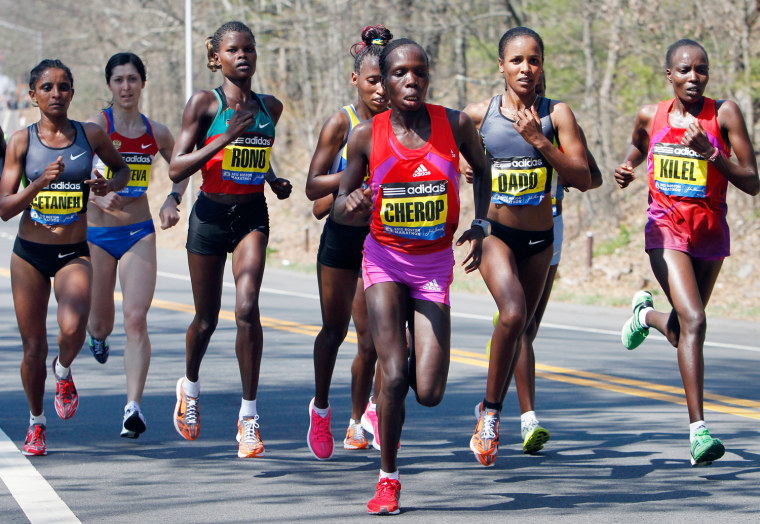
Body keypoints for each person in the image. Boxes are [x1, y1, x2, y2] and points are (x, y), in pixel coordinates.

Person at [333, 38, 490, 515]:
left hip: (432, 267)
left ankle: (407, 342)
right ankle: (388, 479)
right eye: (400, 73)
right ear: (386, 77)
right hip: (384, 261)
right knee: (395, 375)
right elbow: (338, 206)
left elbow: (483, 171)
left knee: (429, 391)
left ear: (429, 77)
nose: (410, 81)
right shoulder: (366, 135)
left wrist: (481, 225)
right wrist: (352, 204)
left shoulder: (455, 124)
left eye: (419, 72)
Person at [615, 39, 759, 466]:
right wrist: (628, 166)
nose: (693, 78)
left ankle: (646, 316)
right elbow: (639, 144)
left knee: (682, 332)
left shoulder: (724, 114)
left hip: (710, 234)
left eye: (701, 70)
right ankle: (698, 432)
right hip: (665, 229)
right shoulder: (651, 113)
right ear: (669, 75)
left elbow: (752, 181)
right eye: (684, 70)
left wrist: (711, 153)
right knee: (695, 320)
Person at [463, 27, 591, 467]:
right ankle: (493, 416)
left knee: (520, 328)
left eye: (533, 60)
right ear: (501, 65)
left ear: (542, 66)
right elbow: (443, 157)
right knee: (513, 313)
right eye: (516, 60)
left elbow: (583, 177)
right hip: (496, 235)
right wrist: (465, 164)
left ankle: (488, 407)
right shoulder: (479, 115)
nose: (525, 68)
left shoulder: (558, 115)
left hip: (540, 240)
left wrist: (541, 141)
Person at [168, 21, 292, 459]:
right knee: (206, 319)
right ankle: (190, 386)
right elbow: (177, 167)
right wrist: (226, 135)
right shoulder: (206, 102)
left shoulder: (269, 106)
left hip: (251, 215)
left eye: (249, 49)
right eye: (233, 50)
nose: (243, 56)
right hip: (209, 216)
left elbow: (257, 152)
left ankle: (249, 416)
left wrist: (273, 179)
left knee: (246, 308)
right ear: (217, 58)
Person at [0, 59, 129, 456]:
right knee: (32, 348)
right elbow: (4, 208)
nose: (56, 94)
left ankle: (64, 371)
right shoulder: (22, 141)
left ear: (72, 93)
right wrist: (38, 183)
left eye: (64, 87)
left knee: (73, 328)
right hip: (29, 256)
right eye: (48, 87)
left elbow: (123, 171)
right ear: (33, 95)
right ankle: (37, 423)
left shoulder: (90, 135)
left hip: (73, 251)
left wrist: (108, 182)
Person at [86, 52, 189, 438]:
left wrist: (171, 199)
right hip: (96, 234)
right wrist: (97, 199)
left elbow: (181, 167)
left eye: (132, 79)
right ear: (109, 86)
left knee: (135, 318)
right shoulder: (97, 127)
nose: (126, 87)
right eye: (118, 80)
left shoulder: (156, 131)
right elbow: (73, 175)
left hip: (137, 231)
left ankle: (133, 407)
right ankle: (96, 336)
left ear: (143, 83)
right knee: (101, 322)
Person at [304, 25, 391, 460]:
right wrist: (355, 176)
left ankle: (361, 420)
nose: (381, 90)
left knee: (373, 341)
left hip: (384, 240)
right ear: (356, 79)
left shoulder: (403, 123)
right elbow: (312, 185)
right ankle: (321, 409)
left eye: (387, 80)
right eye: (372, 81)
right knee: (334, 331)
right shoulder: (342, 122)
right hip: (341, 238)